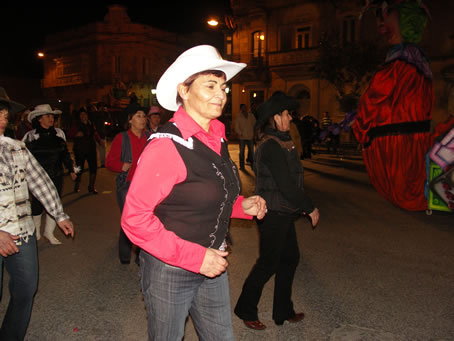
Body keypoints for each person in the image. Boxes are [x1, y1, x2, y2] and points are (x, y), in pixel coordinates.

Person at [121, 45, 267, 340]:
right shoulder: (166, 145)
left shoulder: (216, 136)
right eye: (210, 85)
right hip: (170, 269)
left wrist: (242, 206)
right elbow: (134, 219)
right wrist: (195, 258)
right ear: (184, 91)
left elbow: (202, 193)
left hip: (213, 261)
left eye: (223, 86)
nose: (221, 93)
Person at [234, 91, 320, 330]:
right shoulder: (271, 145)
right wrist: (309, 207)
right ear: (275, 117)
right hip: (272, 213)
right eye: (286, 114)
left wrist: (299, 206)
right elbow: (286, 184)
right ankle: (245, 308)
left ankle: (282, 310)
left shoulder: (282, 141)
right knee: (268, 263)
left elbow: (291, 181)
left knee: (290, 258)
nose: (290, 118)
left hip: (283, 212)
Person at [0, 88, 74, 341]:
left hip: (22, 233)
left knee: (25, 290)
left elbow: (39, 180)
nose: (3, 116)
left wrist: (59, 214)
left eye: (4, 112)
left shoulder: (17, 148)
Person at [353, 0, 432, 211]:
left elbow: (376, 95)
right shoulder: (420, 62)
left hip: (397, 139)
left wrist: (360, 123)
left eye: (385, 13)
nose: (380, 20)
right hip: (413, 138)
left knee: (402, 183)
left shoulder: (399, 62)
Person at [22, 104, 77, 245]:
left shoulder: (59, 134)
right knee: (37, 205)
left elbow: (65, 154)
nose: (51, 118)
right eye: (47, 116)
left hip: (56, 175)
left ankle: (49, 233)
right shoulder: (30, 137)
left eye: (52, 116)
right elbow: (23, 158)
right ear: (39, 119)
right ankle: (36, 232)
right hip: (37, 178)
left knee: (55, 203)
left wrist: (71, 169)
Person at [106, 107, 149, 264]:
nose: (143, 119)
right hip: (127, 185)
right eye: (138, 116)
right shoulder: (122, 138)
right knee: (129, 220)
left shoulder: (150, 137)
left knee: (146, 221)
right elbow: (109, 162)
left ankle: (141, 255)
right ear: (130, 120)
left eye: (144, 116)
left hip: (147, 186)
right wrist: (121, 166)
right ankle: (125, 255)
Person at [69, 109, 101, 194]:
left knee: (93, 167)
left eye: (85, 114)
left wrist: (99, 141)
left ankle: (91, 186)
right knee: (79, 168)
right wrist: (76, 135)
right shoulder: (76, 125)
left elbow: (95, 133)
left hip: (91, 148)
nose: (83, 116)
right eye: (81, 115)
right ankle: (76, 184)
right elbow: (70, 134)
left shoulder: (90, 123)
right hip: (80, 149)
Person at [234, 104, 256, 170]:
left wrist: (253, 133)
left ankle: (253, 165)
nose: (245, 109)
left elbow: (254, 124)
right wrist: (240, 133)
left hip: (250, 136)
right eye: (243, 108)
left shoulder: (251, 116)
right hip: (242, 137)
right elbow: (236, 127)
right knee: (241, 152)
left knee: (252, 152)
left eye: (246, 107)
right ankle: (242, 166)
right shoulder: (238, 116)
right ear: (241, 109)